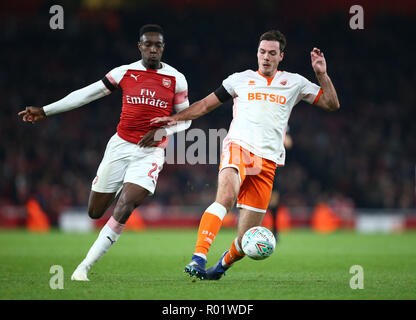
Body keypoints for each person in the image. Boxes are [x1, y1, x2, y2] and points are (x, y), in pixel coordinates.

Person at [152, 30, 340, 280]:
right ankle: (198, 257)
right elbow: (206, 105)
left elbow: (331, 104)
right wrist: (174, 119)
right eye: (262, 52)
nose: (266, 57)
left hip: (268, 163)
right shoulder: (239, 80)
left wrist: (321, 74)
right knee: (226, 198)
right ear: (257, 53)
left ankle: (218, 269)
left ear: (281, 56)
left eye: (272, 53)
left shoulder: (295, 82)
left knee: (245, 238)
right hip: (238, 148)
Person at [18, 24, 191, 281]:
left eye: (158, 45)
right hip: (120, 146)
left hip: (151, 153)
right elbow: (86, 94)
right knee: (95, 211)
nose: (153, 49)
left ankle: (83, 268)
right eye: (148, 44)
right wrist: (45, 110)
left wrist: (161, 133)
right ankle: (108, 214)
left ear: (163, 48)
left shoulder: (176, 78)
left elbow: (186, 118)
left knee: (125, 206)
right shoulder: (124, 72)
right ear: (140, 46)